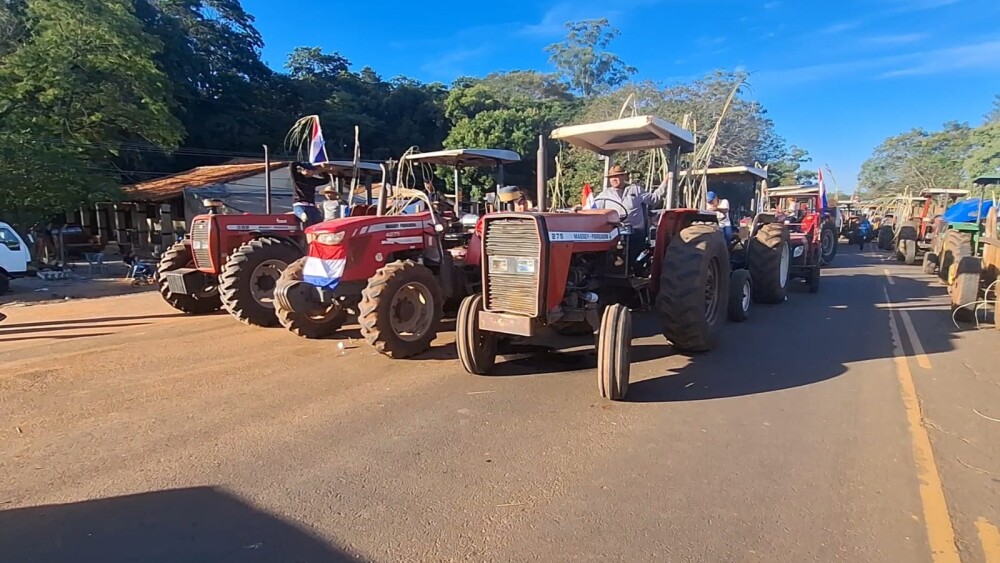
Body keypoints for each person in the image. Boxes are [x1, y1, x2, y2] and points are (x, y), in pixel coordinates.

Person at [591, 164, 667, 267]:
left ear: (624, 177)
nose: (614, 179)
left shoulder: (636, 190)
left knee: (630, 251)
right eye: (611, 177)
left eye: (617, 176)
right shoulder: (605, 194)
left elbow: (654, 200)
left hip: (635, 230)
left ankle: (630, 268)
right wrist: (579, 208)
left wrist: (666, 181)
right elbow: (593, 207)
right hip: (615, 231)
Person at [289, 161, 327, 227]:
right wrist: (302, 164)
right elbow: (292, 165)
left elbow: (326, 180)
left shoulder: (313, 180)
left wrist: (322, 171)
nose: (313, 173)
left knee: (319, 221)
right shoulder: (297, 177)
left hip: (312, 206)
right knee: (304, 217)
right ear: (305, 170)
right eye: (312, 170)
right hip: (300, 204)